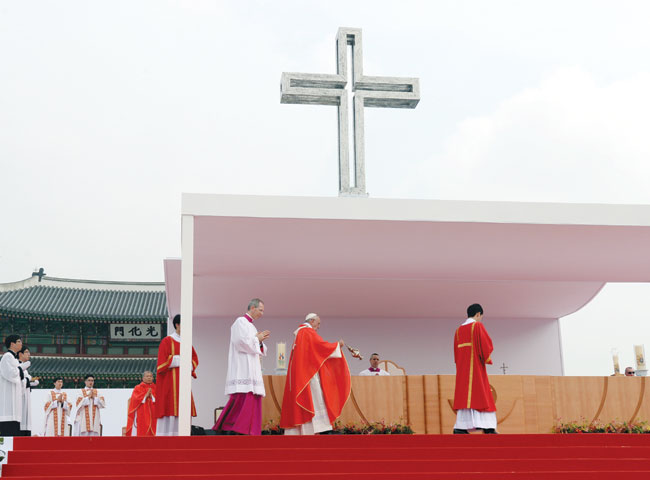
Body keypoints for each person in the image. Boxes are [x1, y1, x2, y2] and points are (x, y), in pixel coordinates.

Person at [280, 313, 351, 435]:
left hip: (303, 373)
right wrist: (337, 345)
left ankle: (303, 431)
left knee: (311, 398)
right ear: (311, 321)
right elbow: (320, 346)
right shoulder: (307, 332)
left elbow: (314, 351)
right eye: (318, 324)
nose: (318, 327)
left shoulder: (301, 333)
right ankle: (315, 429)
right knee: (314, 398)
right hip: (307, 375)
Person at [213, 298, 269, 435]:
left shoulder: (252, 326)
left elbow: (257, 348)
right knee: (242, 398)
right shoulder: (240, 322)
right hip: (242, 367)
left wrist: (260, 342)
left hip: (251, 368)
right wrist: (257, 339)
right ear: (252, 308)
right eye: (260, 310)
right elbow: (240, 342)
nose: (262, 313)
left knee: (252, 396)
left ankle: (250, 430)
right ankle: (234, 428)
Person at [452, 303, 497, 434]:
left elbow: (456, 353)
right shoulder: (477, 326)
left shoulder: (458, 330)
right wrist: (487, 357)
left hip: (462, 369)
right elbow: (486, 346)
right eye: (481, 316)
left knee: (464, 396)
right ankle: (488, 427)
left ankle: (461, 427)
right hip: (476, 369)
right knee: (481, 395)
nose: (480, 319)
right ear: (478, 314)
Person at [155, 314, 198, 436]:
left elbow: (194, 359)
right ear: (177, 325)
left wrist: (188, 363)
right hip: (170, 383)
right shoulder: (167, 341)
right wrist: (179, 360)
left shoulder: (187, 342)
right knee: (169, 406)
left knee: (183, 408)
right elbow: (161, 363)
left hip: (183, 383)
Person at [0, 334, 24, 436]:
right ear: (12, 344)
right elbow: (10, 374)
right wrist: (21, 368)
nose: (21, 343)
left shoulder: (13, 359)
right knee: (8, 431)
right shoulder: (7, 357)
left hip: (14, 400)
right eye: (19, 341)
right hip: (8, 402)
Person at [125, 371, 157, 436]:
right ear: (143, 378)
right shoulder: (138, 387)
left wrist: (152, 396)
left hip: (154, 412)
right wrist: (145, 396)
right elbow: (135, 399)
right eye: (147, 376)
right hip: (142, 412)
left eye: (150, 376)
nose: (149, 378)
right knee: (142, 429)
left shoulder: (156, 387)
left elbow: (160, 399)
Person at [18, 345, 39, 436]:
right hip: (19, 397)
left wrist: (32, 381)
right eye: (26, 352)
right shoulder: (17, 366)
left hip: (25, 396)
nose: (29, 354)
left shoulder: (25, 369)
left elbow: (28, 382)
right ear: (20, 354)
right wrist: (29, 380)